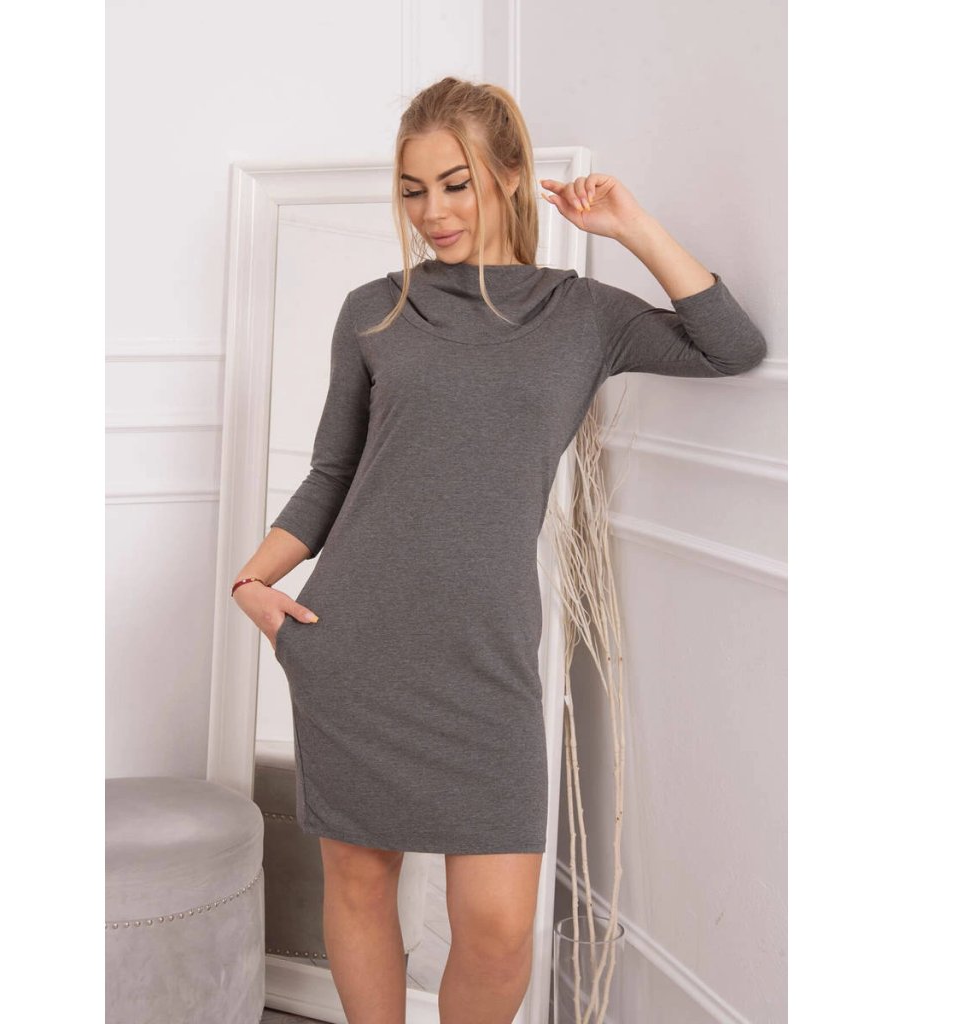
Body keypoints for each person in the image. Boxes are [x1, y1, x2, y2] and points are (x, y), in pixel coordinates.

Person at [231, 77, 766, 1024]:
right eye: (412, 191)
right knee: (360, 886)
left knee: (498, 930)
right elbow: (333, 473)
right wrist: (252, 582)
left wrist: (630, 226)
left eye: (457, 184)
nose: (432, 212)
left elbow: (731, 347)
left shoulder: (582, 314)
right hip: (356, 649)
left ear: (512, 177)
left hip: (487, 661)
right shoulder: (374, 310)